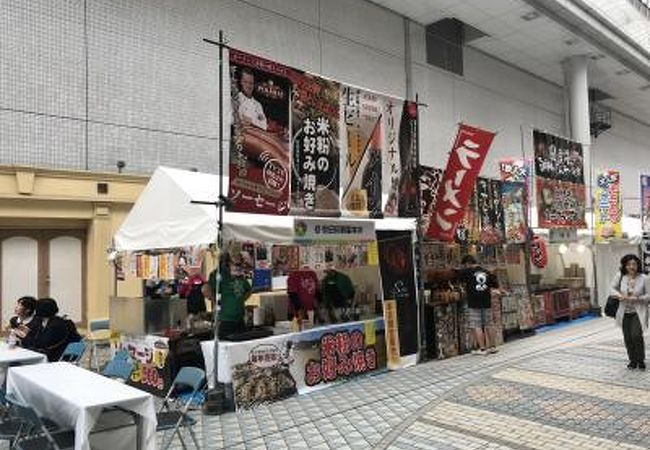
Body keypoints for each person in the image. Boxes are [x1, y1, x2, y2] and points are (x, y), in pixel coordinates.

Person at [610, 254, 649, 370]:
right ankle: (632, 360)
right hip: (624, 312)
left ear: (638, 265)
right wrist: (619, 295)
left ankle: (640, 360)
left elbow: (649, 295)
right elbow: (611, 288)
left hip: (638, 311)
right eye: (629, 264)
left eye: (634, 264)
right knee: (628, 337)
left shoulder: (644, 278)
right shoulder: (621, 276)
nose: (632, 267)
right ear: (625, 266)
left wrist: (638, 299)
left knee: (636, 335)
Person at [457, 255, 501, 355]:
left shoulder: (467, 272)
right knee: (489, 324)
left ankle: (482, 349)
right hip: (486, 301)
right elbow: (495, 285)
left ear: (467, 263)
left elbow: (457, 277)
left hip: (474, 302)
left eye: (465, 265)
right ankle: (493, 347)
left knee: (476, 325)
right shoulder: (486, 272)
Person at [211, 253, 251, 340]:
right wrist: (215, 301)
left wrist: (241, 300)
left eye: (240, 264)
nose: (238, 266)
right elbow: (206, 289)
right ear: (228, 264)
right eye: (235, 264)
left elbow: (248, 290)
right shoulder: (221, 276)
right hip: (226, 320)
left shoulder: (241, 279)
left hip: (240, 319)